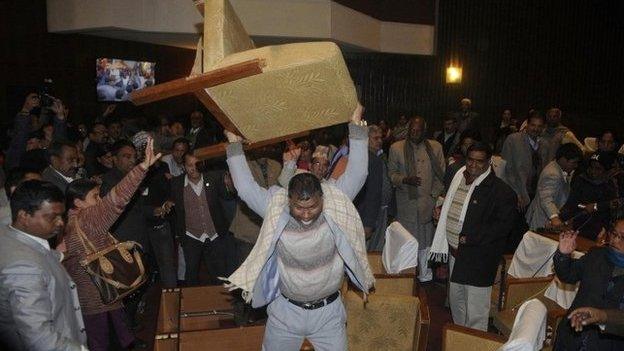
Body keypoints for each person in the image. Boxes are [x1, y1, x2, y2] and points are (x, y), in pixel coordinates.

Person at [222, 106, 373, 351]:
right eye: (299, 208)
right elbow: (247, 190)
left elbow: (357, 173)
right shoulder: (276, 205)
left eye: (312, 207)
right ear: (289, 200)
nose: (305, 215)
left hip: (328, 314)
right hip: (286, 311)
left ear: (322, 199)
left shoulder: (335, 200)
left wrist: (356, 128)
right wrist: (234, 146)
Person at [62, 138, 159, 351]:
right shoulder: (86, 219)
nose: (99, 200)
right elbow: (115, 202)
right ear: (78, 202)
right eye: (95, 197)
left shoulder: (69, 223)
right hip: (99, 302)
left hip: (96, 299)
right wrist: (142, 168)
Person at [429, 142, 517, 331]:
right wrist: (442, 210)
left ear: (489, 162)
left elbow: (502, 228)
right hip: (455, 255)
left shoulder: (501, 191)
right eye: (470, 160)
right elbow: (454, 204)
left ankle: (474, 343)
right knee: (456, 302)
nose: (473, 165)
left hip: (478, 259)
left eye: (479, 161)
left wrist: (470, 239)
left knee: (476, 311)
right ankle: (460, 340)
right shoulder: (458, 177)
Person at [0, 180, 88, 350]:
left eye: (61, 216)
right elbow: (39, 337)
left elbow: (35, 249)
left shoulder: (8, 230)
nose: (61, 223)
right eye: (52, 217)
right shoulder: (25, 269)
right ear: (24, 216)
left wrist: (59, 255)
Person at [388, 116, 446, 282]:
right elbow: (391, 174)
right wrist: (405, 180)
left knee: (426, 241)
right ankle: (408, 275)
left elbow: (440, 175)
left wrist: (433, 195)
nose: (414, 133)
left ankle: (425, 275)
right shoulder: (396, 148)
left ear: (424, 131)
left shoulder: (435, 147)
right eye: (412, 129)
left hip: (427, 203)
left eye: (418, 130)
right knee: (408, 240)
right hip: (406, 204)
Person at [553, 220, 624, 350]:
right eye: (614, 234)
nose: (615, 240)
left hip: (608, 344)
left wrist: (602, 316)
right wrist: (563, 255)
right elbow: (568, 275)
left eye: (622, 237)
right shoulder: (597, 254)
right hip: (571, 336)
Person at [170, 153, 237, 285]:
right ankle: (195, 303)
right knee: (192, 274)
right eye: (190, 165)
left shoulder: (212, 178)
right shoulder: (176, 184)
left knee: (219, 274)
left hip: (214, 234)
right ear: (184, 166)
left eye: (197, 164)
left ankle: (220, 302)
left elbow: (229, 197)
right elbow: (171, 206)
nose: (194, 168)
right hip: (191, 237)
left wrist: (230, 186)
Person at [229, 147, 282, 261]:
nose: (262, 150)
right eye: (259, 148)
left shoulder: (276, 165)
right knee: (246, 275)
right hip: (247, 232)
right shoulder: (244, 166)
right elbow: (240, 188)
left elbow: (281, 191)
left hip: (269, 234)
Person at [560, 151, 618, 241]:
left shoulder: (610, 185)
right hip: (576, 225)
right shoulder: (581, 179)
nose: (593, 171)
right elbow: (571, 203)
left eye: (598, 169)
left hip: (599, 230)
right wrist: (561, 219)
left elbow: (615, 206)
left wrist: (596, 207)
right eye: (591, 167)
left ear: (605, 170)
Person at [526, 143, 583, 230]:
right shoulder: (553, 174)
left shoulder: (558, 168)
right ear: (563, 160)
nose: (576, 166)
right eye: (573, 162)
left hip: (549, 218)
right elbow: (546, 198)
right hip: (542, 220)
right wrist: (554, 218)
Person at [502, 111, 548, 212]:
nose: (536, 129)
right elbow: (506, 170)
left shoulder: (544, 144)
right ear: (527, 124)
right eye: (533, 125)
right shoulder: (513, 140)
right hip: (517, 194)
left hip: (535, 196)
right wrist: (516, 194)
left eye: (539, 126)